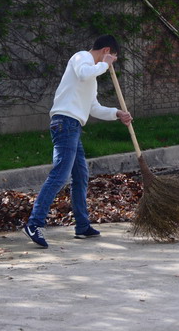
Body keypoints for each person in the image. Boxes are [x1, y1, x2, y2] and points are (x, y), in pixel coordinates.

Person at [23, 35, 133, 248]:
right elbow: (84, 74)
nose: (112, 64)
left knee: (81, 176)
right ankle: (34, 224)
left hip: (74, 126)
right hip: (64, 123)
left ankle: (82, 226)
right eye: (113, 57)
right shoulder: (81, 58)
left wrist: (116, 113)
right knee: (60, 175)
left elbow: (93, 107)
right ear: (106, 50)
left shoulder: (91, 75)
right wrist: (104, 64)